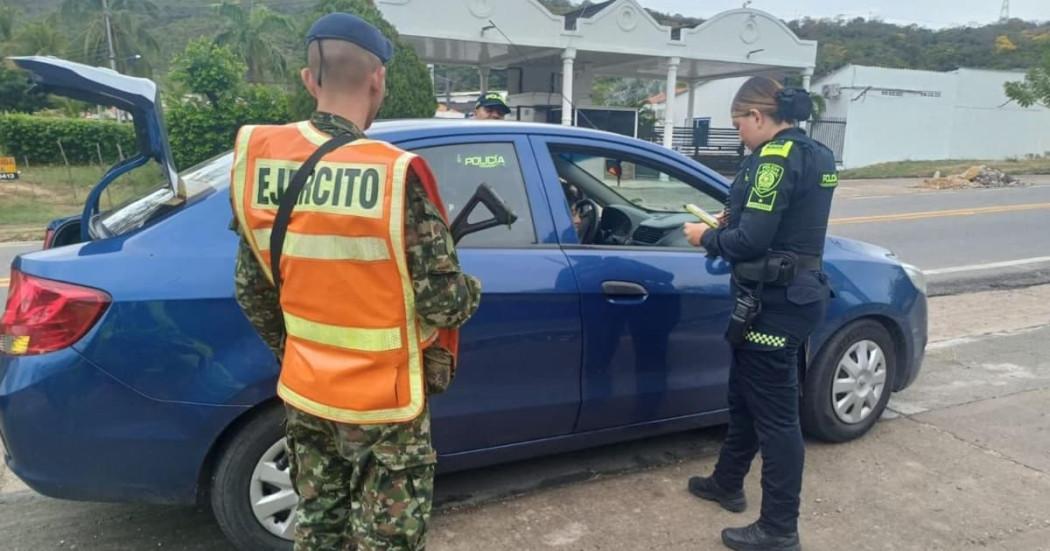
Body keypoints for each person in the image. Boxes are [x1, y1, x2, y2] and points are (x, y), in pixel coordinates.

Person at [228, 12, 481, 550]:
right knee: (384, 540)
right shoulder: (391, 173)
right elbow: (445, 304)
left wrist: (297, 349)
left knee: (318, 525)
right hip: (385, 404)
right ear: (378, 79)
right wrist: (471, 289)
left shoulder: (261, 160)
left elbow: (252, 288)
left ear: (308, 79)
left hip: (305, 389)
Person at [682, 76, 837, 551]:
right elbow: (782, 222)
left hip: (774, 304)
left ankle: (778, 528)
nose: (739, 135)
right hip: (792, 296)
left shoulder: (773, 159)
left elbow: (751, 242)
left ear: (757, 116)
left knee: (776, 417)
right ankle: (727, 482)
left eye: (739, 125)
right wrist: (739, 219)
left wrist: (704, 236)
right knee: (746, 397)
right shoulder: (817, 153)